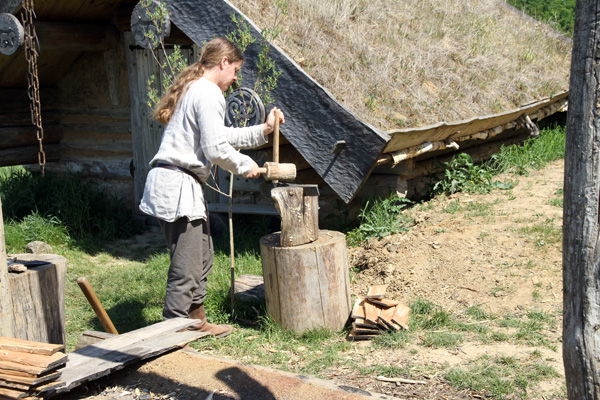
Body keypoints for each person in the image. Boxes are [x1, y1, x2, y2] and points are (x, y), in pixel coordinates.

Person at [139, 37, 285, 338]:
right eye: (235, 71)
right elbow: (216, 149)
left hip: (180, 184)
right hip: (177, 186)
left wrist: (265, 130)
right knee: (187, 266)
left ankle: (196, 321)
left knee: (202, 256)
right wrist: (245, 165)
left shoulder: (198, 89)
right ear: (223, 62)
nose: (235, 79)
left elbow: (221, 136)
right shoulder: (208, 92)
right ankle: (170, 334)